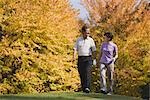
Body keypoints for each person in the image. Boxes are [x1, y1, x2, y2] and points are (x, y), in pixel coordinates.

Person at [73, 26, 96, 93]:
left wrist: (94, 59)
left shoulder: (91, 40)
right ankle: (84, 88)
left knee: (87, 72)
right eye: (87, 33)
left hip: (88, 58)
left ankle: (87, 87)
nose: (88, 34)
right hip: (80, 58)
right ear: (83, 32)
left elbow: (94, 50)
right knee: (81, 73)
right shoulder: (78, 40)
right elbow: (75, 49)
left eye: (89, 33)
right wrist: (74, 57)